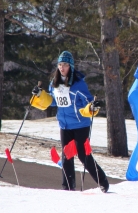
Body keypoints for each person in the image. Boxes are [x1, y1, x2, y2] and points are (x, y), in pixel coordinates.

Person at [30, 51, 110, 193]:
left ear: (71, 66)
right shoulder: (54, 83)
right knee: (67, 155)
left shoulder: (79, 84)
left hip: (80, 124)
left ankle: (103, 182)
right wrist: (40, 94)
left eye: (65, 65)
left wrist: (92, 107)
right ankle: (68, 186)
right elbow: (53, 101)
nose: (62, 67)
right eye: (60, 64)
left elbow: (87, 102)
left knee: (83, 155)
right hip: (65, 125)